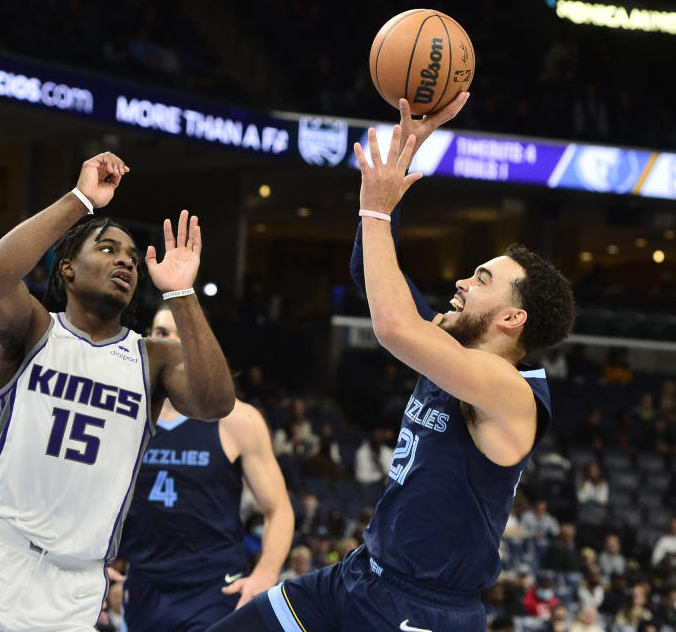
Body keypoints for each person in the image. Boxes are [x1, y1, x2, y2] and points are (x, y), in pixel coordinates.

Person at [209, 93, 575, 632]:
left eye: (481, 281)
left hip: (424, 612)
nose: (460, 282)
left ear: (513, 319)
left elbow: (393, 328)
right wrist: (396, 168)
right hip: (360, 577)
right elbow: (371, 277)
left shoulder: (512, 394)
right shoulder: (448, 353)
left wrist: (375, 207)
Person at [0, 151, 235, 631]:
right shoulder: (33, 328)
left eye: (132, 256)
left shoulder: (154, 358)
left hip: (74, 585)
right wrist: (81, 199)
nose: (126, 260)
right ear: (67, 268)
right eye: (108, 249)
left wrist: (181, 293)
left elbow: (215, 403)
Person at [117, 305, 294, 631]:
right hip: (144, 586)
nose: (168, 340)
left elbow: (278, 509)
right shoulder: (127, 413)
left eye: (178, 333)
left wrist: (266, 574)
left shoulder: (238, 419)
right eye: (160, 333)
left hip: (214, 587)